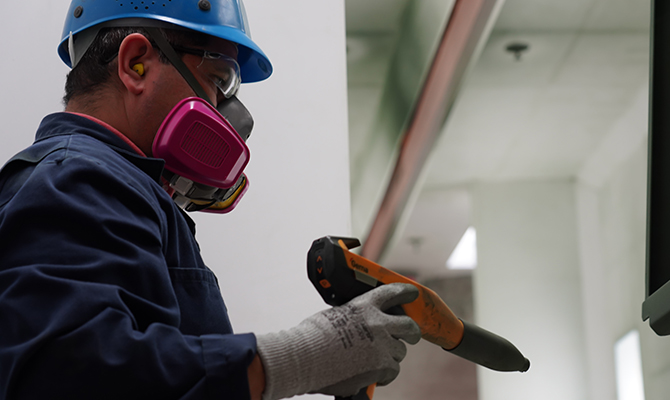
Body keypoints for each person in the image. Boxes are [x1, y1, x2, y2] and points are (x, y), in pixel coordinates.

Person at [0, 1, 421, 399]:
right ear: (135, 64)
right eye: (219, 81)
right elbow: (73, 375)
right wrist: (302, 356)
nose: (225, 113)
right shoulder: (76, 181)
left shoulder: (121, 190)